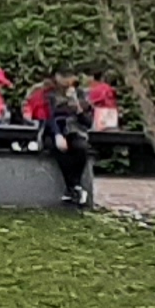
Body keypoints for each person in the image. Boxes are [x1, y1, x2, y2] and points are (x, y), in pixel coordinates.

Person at [34, 70, 96, 206]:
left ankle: (74, 186)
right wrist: (57, 135)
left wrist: (77, 106)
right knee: (58, 148)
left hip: (74, 130)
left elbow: (88, 122)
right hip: (53, 131)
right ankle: (73, 187)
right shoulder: (49, 95)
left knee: (80, 148)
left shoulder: (81, 95)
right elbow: (48, 118)